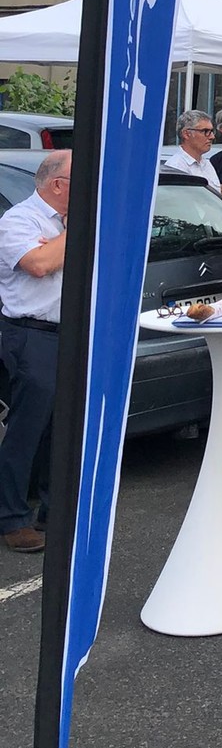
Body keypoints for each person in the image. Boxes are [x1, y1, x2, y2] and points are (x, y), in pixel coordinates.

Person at [0, 151, 71, 553]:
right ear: (57, 184)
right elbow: (39, 264)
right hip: (33, 333)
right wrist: (69, 237)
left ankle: (52, 511)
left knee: (62, 430)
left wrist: (59, 244)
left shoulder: (62, 226)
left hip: (72, 334)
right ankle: (11, 518)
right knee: (27, 429)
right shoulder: (18, 221)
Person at [163, 109, 221, 188]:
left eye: (212, 131)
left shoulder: (206, 164)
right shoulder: (176, 167)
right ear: (186, 134)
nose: (212, 137)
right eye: (205, 131)